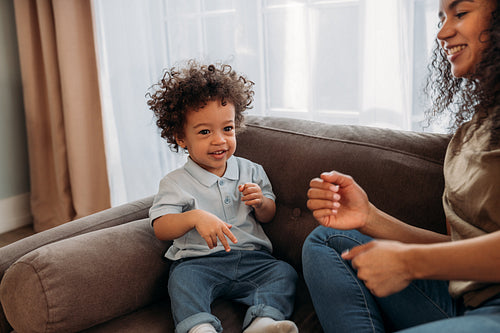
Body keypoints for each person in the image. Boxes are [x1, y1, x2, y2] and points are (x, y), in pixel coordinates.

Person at [302, 0, 500, 332]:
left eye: (460, 13)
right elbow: (459, 250)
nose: (442, 31)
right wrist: (370, 217)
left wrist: (409, 262)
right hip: (466, 300)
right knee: (329, 238)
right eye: (441, 17)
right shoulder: (472, 132)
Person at [146, 60, 298, 333]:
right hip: (199, 263)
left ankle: (263, 322)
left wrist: (261, 202)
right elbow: (161, 227)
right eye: (205, 132)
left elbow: (269, 214)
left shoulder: (251, 170)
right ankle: (200, 327)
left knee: (284, 273)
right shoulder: (175, 182)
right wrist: (194, 217)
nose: (219, 140)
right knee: (181, 280)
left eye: (227, 129)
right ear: (181, 137)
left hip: (253, 259)